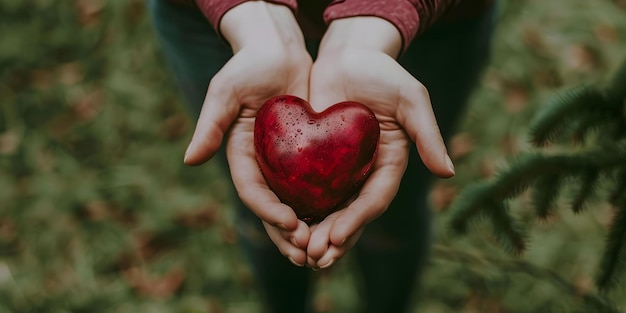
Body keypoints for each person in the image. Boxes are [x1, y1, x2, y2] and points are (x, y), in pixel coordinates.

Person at [147, 0, 496, 312]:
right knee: (265, 209)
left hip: (428, 23)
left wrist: (383, 14)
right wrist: (251, 12)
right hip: (213, 18)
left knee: (394, 210)